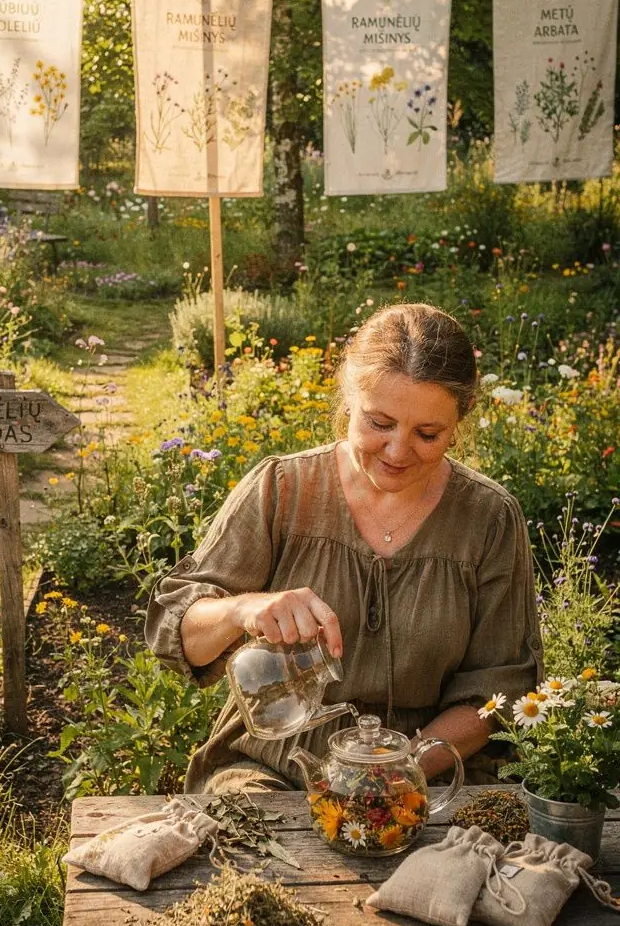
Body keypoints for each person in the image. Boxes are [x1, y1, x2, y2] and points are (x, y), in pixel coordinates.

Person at [146, 301, 542, 794]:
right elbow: (176, 632)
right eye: (379, 423)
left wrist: (394, 773)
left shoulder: (488, 518)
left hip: (432, 776)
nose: (398, 452)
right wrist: (243, 609)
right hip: (273, 767)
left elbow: (499, 693)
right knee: (260, 857)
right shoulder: (283, 489)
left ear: (459, 422)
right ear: (348, 401)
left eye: (427, 433)